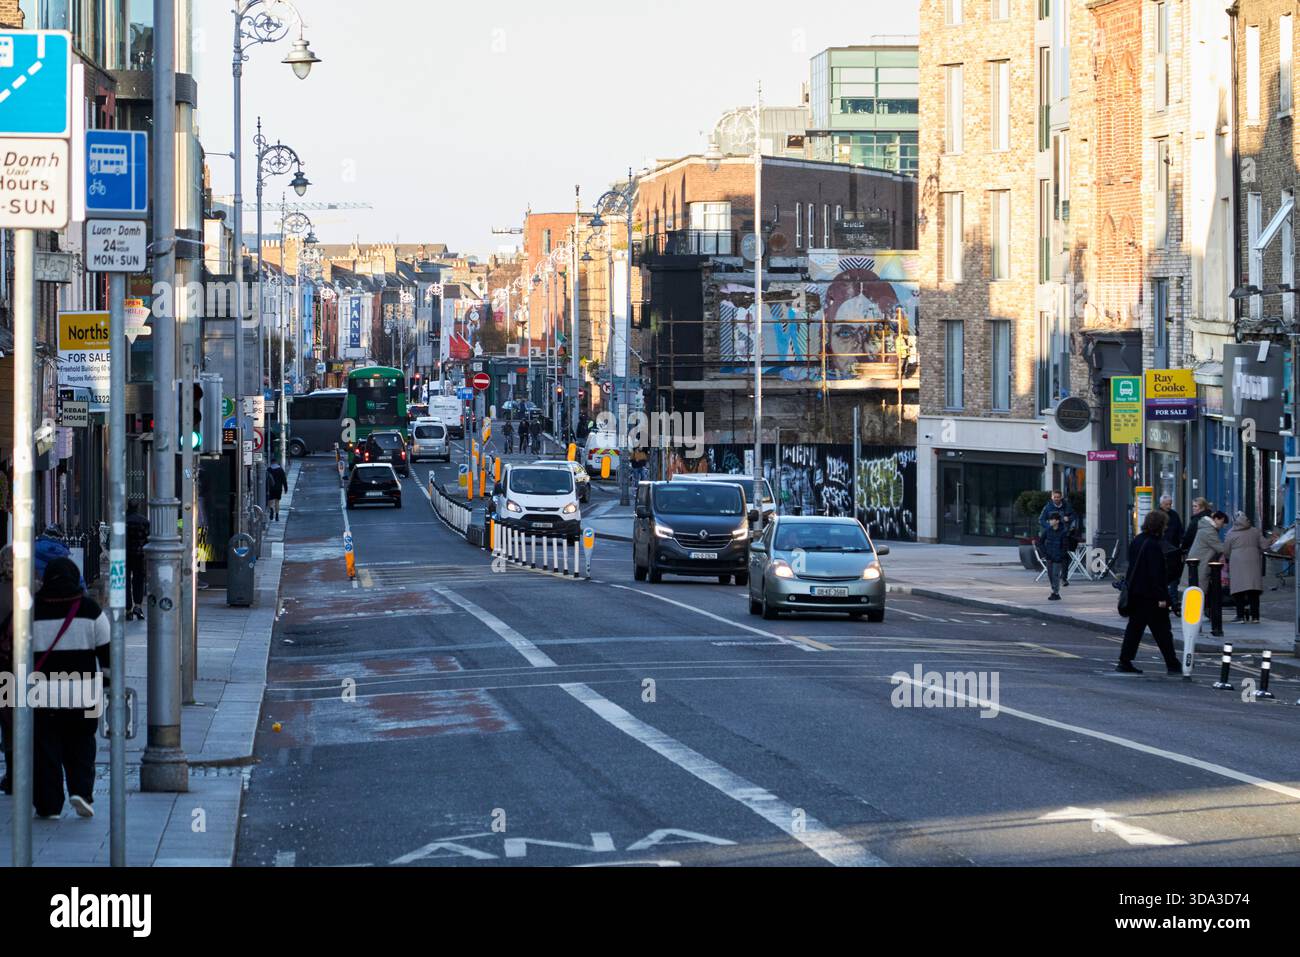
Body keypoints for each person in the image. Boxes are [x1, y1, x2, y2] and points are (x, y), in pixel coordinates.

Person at [31, 557, 107, 819]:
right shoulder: (90, 609)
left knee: (45, 748)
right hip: (84, 692)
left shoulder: (32, 610)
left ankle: (49, 804)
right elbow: (108, 651)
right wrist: (107, 684)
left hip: (43, 693)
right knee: (83, 743)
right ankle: (81, 792)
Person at [1117, 509, 1182, 675]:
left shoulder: (1138, 540)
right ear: (1160, 526)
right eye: (1164, 525)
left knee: (1135, 629)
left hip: (1136, 593)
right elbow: (1156, 574)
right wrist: (1162, 597)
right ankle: (1172, 664)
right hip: (1150, 596)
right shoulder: (1153, 545)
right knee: (1162, 631)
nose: (1166, 528)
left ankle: (1125, 661)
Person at [1224, 511, 1267, 624]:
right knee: (1254, 591)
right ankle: (1255, 617)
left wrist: (1229, 558)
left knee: (1239, 591)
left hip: (1237, 562)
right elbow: (1265, 545)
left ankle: (1240, 616)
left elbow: (1226, 551)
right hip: (1253, 562)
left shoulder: (1230, 533)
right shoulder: (1255, 531)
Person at [1038, 491, 1076, 586]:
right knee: (1051, 557)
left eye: (1058, 497)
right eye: (1055, 497)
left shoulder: (1067, 506)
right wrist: (1049, 527)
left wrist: (1069, 519)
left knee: (1064, 557)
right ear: (1052, 497)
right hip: (1052, 535)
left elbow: (1074, 515)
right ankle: (1053, 579)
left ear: (1061, 497)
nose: (1057, 499)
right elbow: (1041, 519)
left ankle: (1064, 578)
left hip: (1064, 533)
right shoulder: (1048, 507)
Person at [1187, 509, 1228, 591]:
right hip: (1201, 564)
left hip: (1199, 563)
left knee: (1198, 589)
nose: (1222, 526)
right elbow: (1221, 548)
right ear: (1216, 519)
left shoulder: (1207, 528)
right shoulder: (1209, 531)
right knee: (1199, 590)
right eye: (1222, 522)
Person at [1160, 495, 1185, 612]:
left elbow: (1180, 531)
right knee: (1162, 576)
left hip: (1173, 550)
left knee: (1174, 576)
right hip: (1161, 550)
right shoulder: (1157, 515)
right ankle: (1164, 599)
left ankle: (1174, 601)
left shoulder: (1174, 515)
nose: (1169, 506)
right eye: (1166, 504)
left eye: (1170, 504)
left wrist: (1181, 543)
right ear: (1161, 504)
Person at [125, 503, 149, 621]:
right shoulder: (144, 521)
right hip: (139, 555)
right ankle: (138, 606)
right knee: (138, 580)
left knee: (126, 581)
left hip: (125, 555)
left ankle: (128, 609)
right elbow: (148, 538)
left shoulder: (123, 521)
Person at [0, 544, 11, 794]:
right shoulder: (35, 588)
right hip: (27, 666)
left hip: (2, 662)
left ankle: (11, 772)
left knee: (6, 717)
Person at [1039, 512, 1070, 601]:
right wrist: (1045, 553)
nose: (1050, 521)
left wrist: (1061, 555)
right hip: (1049, 556)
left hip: (1058, 557)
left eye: (1052, 520)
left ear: (1057, 521)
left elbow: (1065, 546)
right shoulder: (1047, 530)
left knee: (1055, 575)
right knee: (1050, 575)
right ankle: (1054, 591)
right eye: (1050, 520)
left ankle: (1055, 592)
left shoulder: (1063, 531)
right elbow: (1040, 542)